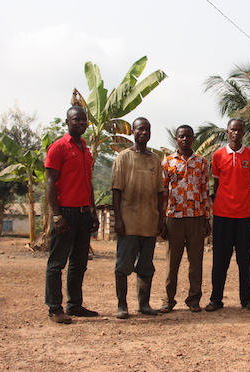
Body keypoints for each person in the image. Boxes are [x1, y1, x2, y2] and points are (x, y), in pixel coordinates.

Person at [44, 105, 100, 324]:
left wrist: (93, 211)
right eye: (76, 120)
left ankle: (74, 304)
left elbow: (88, 183)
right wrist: (56, 215)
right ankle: (54, 308)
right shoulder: (58, 147)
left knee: (79, 262)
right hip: (65, 213)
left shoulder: (85, 148)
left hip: (84, 213)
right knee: (57, 263)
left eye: (84, 120)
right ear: (67, 122)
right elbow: (49, 183)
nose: (81, 123)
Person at [111, 117, 164, 319]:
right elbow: (116, 190)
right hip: (129, 220)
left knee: (146, 266)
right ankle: (122, 305)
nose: (144, 133)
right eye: (140, 129)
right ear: (132, 132)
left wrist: (160, 218)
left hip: (149, 221)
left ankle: (144, 304)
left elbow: (160, 192)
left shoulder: (155, 160)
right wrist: (118, 219)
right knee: (123, 265)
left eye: (147, 129)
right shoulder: (123, 158)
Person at [205, 118, 250, 312]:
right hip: (222, 214)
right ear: (227, 132)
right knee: (220, 258)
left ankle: (247, 299)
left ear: (244, 133)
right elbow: (217, 185)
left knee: (244, 259)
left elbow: (249, 183)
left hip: (244, 214)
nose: (236, 133)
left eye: (240, 130)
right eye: (232, 129)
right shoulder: (218, 156)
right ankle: (215, 299)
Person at [159, 125, 211, 313]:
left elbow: (205, 190)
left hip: (196, 217)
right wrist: (162, 220)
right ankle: (168, 299)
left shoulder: (202, 162)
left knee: (196, 262)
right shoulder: (167, 163)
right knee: (172, 261)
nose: (185, 139)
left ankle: (194, 299)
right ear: (176, 138)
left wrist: (207, 218)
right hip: (174, 217)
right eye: (181, 136)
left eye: (188, 136)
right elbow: (163, 192)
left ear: (193, 138)